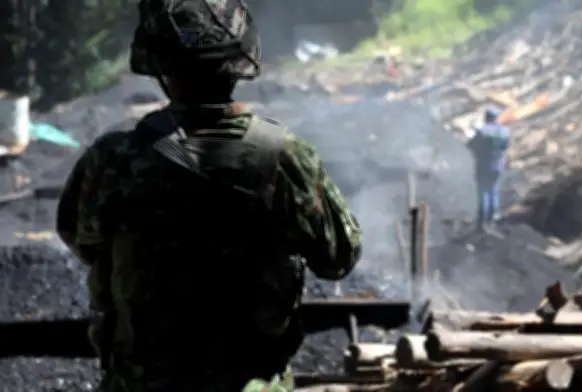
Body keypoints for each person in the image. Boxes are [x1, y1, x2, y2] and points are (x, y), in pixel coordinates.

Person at [55, 1, 363, 391]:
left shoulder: (112, 159)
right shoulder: (283, 158)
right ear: (241, 58)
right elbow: (338, 258)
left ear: (158, 66)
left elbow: (84, 242)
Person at [467, 108, 510, 229]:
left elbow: (471, 146)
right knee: (494, 191)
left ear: (486, 117)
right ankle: (492, 217)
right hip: (498, 165)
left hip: (484, 166)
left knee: (483, 193)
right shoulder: (504, 131)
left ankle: (482, 221)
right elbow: (505, 146)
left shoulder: (482, 132)